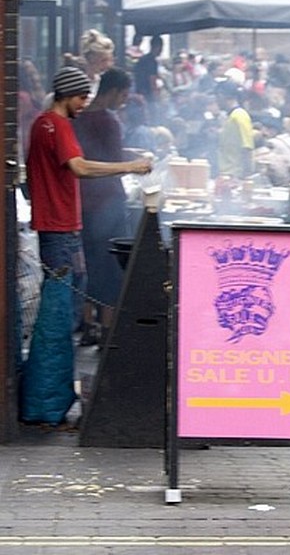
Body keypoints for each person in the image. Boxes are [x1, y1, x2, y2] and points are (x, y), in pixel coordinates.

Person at [23, 67, 152, 423]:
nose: (84, 104)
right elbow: (78, 167)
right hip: (59, 225)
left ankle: (51, 397)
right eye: (81, 97)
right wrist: (129, 166)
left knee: (65, 305)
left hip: (57, 224)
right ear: (67, 95)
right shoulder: (57, 125)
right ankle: (47, 401)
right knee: (58, 313)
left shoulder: (40, 123)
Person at [71, 68, 134, 346]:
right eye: (124, 95)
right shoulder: (109, 121)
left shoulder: (78, 117)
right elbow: (115, 163)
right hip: (108, 203)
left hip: (82, 203)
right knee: (110, 267)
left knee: (88, 265)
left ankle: (88, 326)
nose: (124, 101)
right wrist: (135, 162)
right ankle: (108, 332)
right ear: (114, 91)